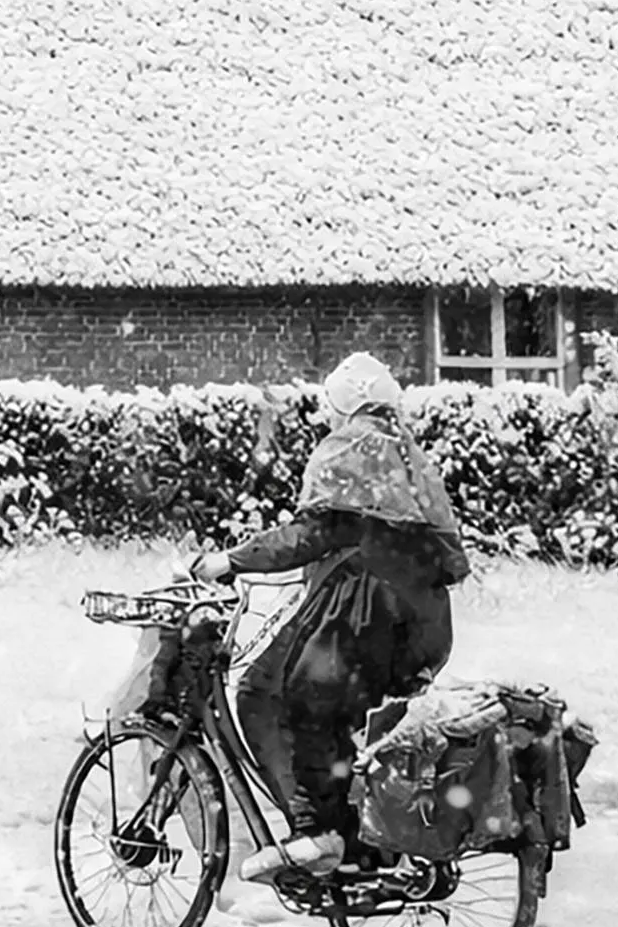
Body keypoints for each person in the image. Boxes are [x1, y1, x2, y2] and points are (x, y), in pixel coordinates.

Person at [189, 352, 469, 881]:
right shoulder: (410, 457)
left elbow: (314, 534)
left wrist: (232, 560)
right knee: (334, 714)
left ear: (341, 404)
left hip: (364, 611)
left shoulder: (351, 446)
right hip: (426, 624)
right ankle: (360, 841)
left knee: (267, 691)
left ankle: (315, 831)